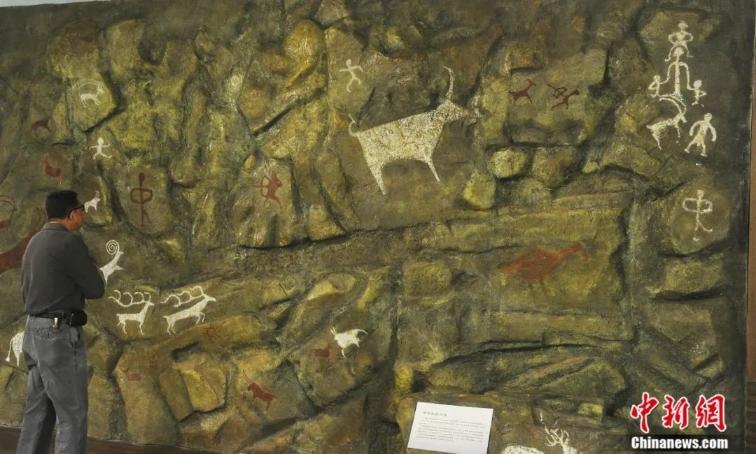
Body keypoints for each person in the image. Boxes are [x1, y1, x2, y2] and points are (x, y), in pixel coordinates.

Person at [16, 190, 104, 454]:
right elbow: (95, 288)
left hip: (33, 331)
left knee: (38, 411)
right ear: (72, 214)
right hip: (58, 334)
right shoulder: (68, 243)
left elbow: (25, 290)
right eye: (81, 211)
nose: (84, 216)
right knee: (72, 412)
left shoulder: (34, 242)